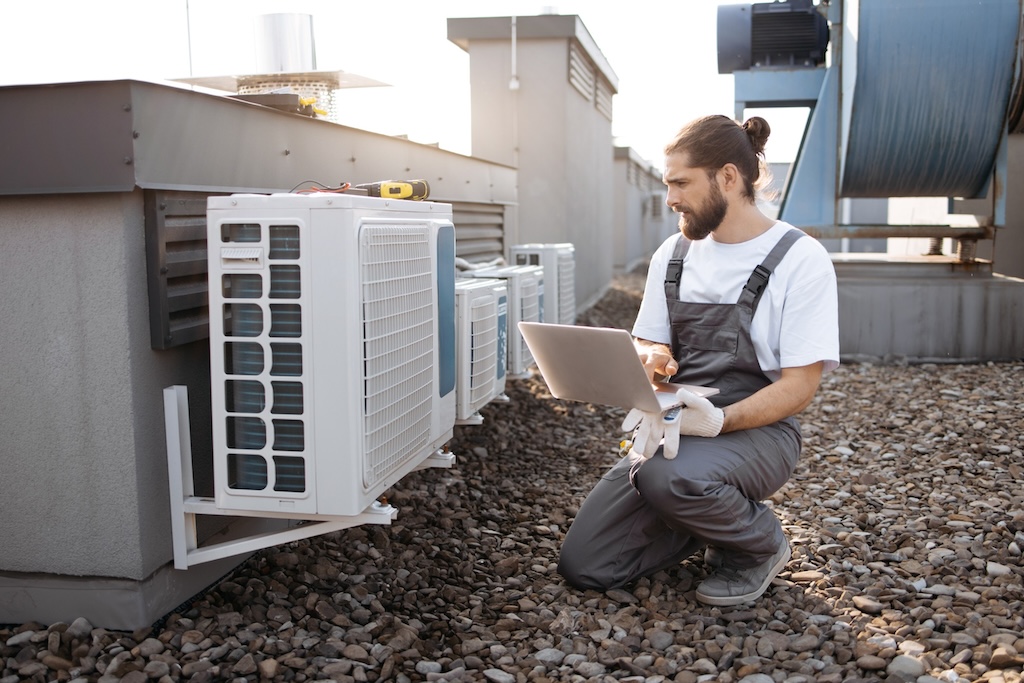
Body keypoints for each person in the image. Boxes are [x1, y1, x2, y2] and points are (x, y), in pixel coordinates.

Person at [557, 114, 839, 606]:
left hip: (761, 432)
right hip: (676, 427)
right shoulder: (674, 253)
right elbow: (649, 341)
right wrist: (653, 361)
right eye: (669, 184)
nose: (670, 198)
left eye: (681, 183)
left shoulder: (799, 258)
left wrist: (719, 421)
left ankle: (760, 544)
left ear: (728, 177)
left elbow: (800, 385)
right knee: (586, 565)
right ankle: (704, 516)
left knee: (665, 476)